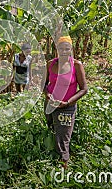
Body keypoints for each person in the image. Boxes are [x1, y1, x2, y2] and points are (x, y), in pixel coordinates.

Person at [44, 36, 88, 169]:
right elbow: (44, 85)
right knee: (52, 128)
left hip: (66, 107)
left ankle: (64, 165)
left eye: (67, 49)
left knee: (63, 138)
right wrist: (47, 95)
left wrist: (67, 102)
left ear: (71, 50)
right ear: (56, 49)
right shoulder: (51, 64)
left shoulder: (76, 65)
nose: (64, 51)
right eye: (61, 48)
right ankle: (51, 155)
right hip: (50, 105)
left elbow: (84, 89)